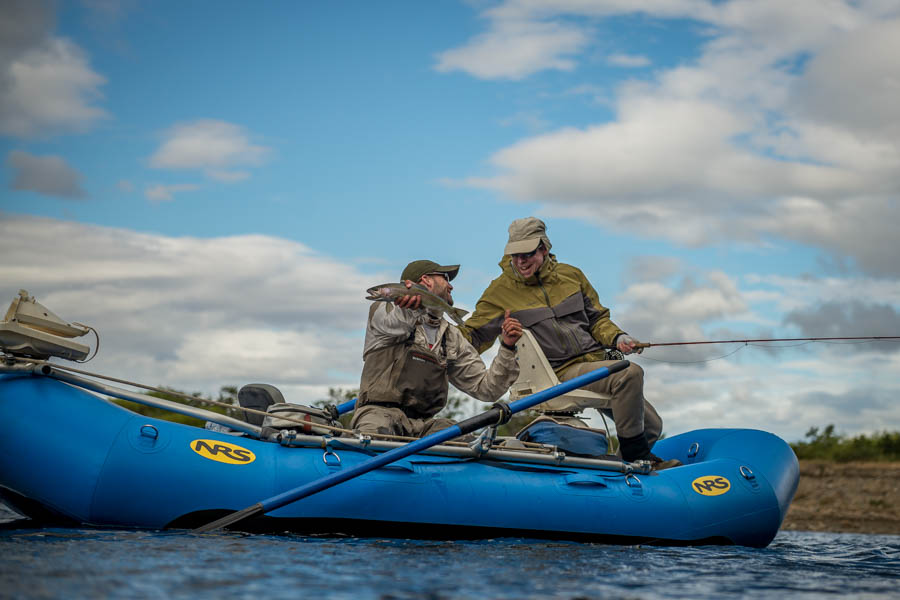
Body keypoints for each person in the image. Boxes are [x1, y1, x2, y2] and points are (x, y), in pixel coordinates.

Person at [460, 218, 680, 470]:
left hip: (594, 365)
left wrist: (618, 338)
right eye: (515, 255)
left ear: (543, 248)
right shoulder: (499, 292)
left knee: (652, 425)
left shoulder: (571, 275)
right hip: (559, 374)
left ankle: (617, 470)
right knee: (629, 373)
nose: (521, 261)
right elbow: (470, 338)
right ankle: (636, 462)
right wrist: (438, 335)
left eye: (527, 254)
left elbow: (598, 319)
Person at [352, 259, 523, 438]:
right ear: (426, 280)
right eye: (446, 278)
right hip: (378, 414)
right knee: (373, 443)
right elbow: (395, 323)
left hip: (425, 425)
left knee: (464, 439)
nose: (451, 286)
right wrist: (411, 308)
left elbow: (486, 389)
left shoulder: (452, 336)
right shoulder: (384, 309)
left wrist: (507, 347)